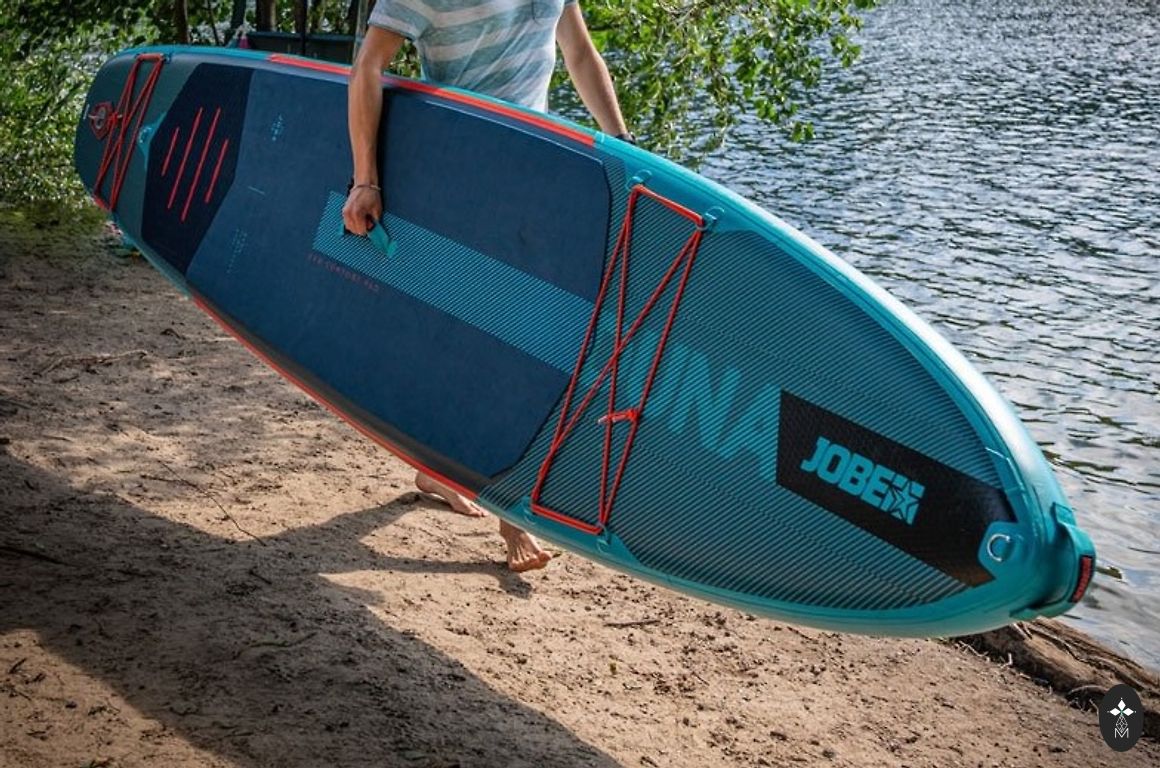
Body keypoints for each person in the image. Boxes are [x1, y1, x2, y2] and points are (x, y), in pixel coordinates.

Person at [342, 0, 631, 572]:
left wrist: (622, 143)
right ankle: (508, 511)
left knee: (501, 339)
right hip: (466, 177)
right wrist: (364, 180)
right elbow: (368, 66)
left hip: (536, 171)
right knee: (501, 347)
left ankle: (437, 467)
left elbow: (578, 51)